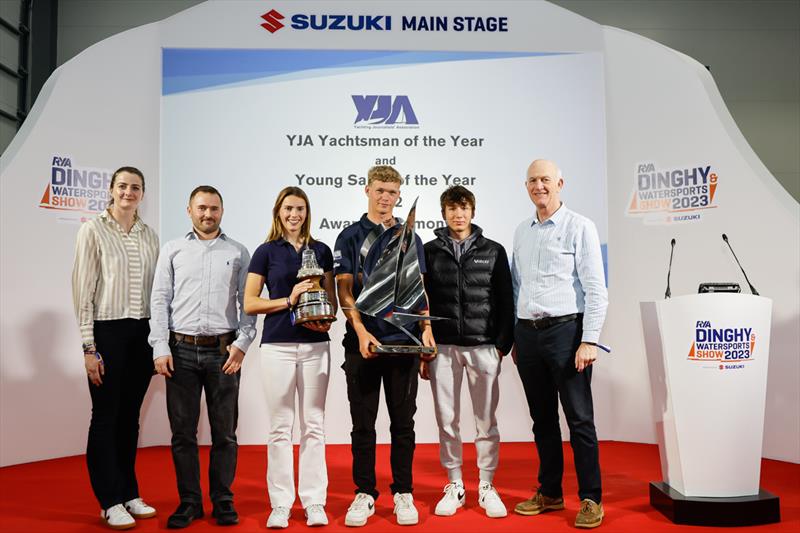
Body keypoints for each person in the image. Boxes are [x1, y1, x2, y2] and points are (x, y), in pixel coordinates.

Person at [334, 165, 436, 527]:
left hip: (403, 345)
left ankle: (403, 493)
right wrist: (361, 331)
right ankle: (364, 493)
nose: (385, 197)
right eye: (379, 190)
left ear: (398, 195)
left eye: (392, 192)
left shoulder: (412, 238)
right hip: (362, 344)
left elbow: (419, 289)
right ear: (366, 190)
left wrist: (426, 329)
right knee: (363, 424)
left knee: (403, 424)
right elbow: (344, 290)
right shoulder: (349, 236)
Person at [149, 185, 256, 529]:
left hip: (223, 352)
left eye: (213, 208)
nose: (207, 214)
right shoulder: (173, 250)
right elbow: (159, 300)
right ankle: (190, 502)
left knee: (225, 433)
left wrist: (242, 343)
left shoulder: (238, 251)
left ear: (222, 211)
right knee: (183, 434)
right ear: (189, 210)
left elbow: (248, 303)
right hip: (179, 351)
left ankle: (223, 501)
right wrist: (160, 347)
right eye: (201, 208)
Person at [511, 159, 608, 529]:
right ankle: (550, 492)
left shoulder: (579, 226)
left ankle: (591, 499)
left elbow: (597, 289)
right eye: (533, 180)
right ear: (526, 186)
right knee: (542, 421)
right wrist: (518, 334)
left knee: (580, 420)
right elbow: (518, 285)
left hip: (567, 334)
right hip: (528, 335)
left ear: (560, 183)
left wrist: (590, 340)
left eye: (546, 180)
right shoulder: (522, 231)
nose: (539, 186)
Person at [243, 187, 337, 529]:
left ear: (307, 212)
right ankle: (280, 504)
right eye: (288, 209)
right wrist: (288, 300)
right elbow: (250, 303)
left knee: (314, 424)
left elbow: (331, 303)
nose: (294, 214)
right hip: (278, 345)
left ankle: (315, 502)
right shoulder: (266, 252)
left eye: (299, 208)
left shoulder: (322, 250)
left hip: (316, 345)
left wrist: (322, 315)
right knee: (280, 426)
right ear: (278, 212)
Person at [72, 166, 160, 530]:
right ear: (110, 190)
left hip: (142, 333)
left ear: (142, 193)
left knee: (130, 418)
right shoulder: (92, 230)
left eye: (135, 187)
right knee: (106, 417)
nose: (128, 192)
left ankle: (128, 492)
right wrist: (88, 348)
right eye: (122, 186)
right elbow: (83, 290)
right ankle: (109, 500)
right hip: (106, 332)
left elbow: (158, 292)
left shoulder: (149, 235)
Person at [421, 185, 514, 519]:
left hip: (483, 346)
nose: (458, 215)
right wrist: (424, 345)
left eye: (463, 208)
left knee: (485, 421)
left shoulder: (494, 250)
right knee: (447, 420)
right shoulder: (429, 251)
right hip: (443, 348)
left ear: (472, 212)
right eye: (451, 209)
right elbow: (422, 300)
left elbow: (506, 298)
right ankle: (455, 484)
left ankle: (487, 485)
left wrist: (501, 345)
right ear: (443, 213)